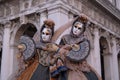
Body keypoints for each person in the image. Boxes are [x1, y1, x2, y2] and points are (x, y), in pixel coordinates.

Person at [55, 16, 102, 80]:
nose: (76, 29)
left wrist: (67, 49)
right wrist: (59, 59)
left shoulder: (84, 41)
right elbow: (58, 51)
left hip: (80, 66)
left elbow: (81, 55)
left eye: (79, 28)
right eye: (75, 27)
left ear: (82, 30)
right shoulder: (65, 38)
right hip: (65, 64)